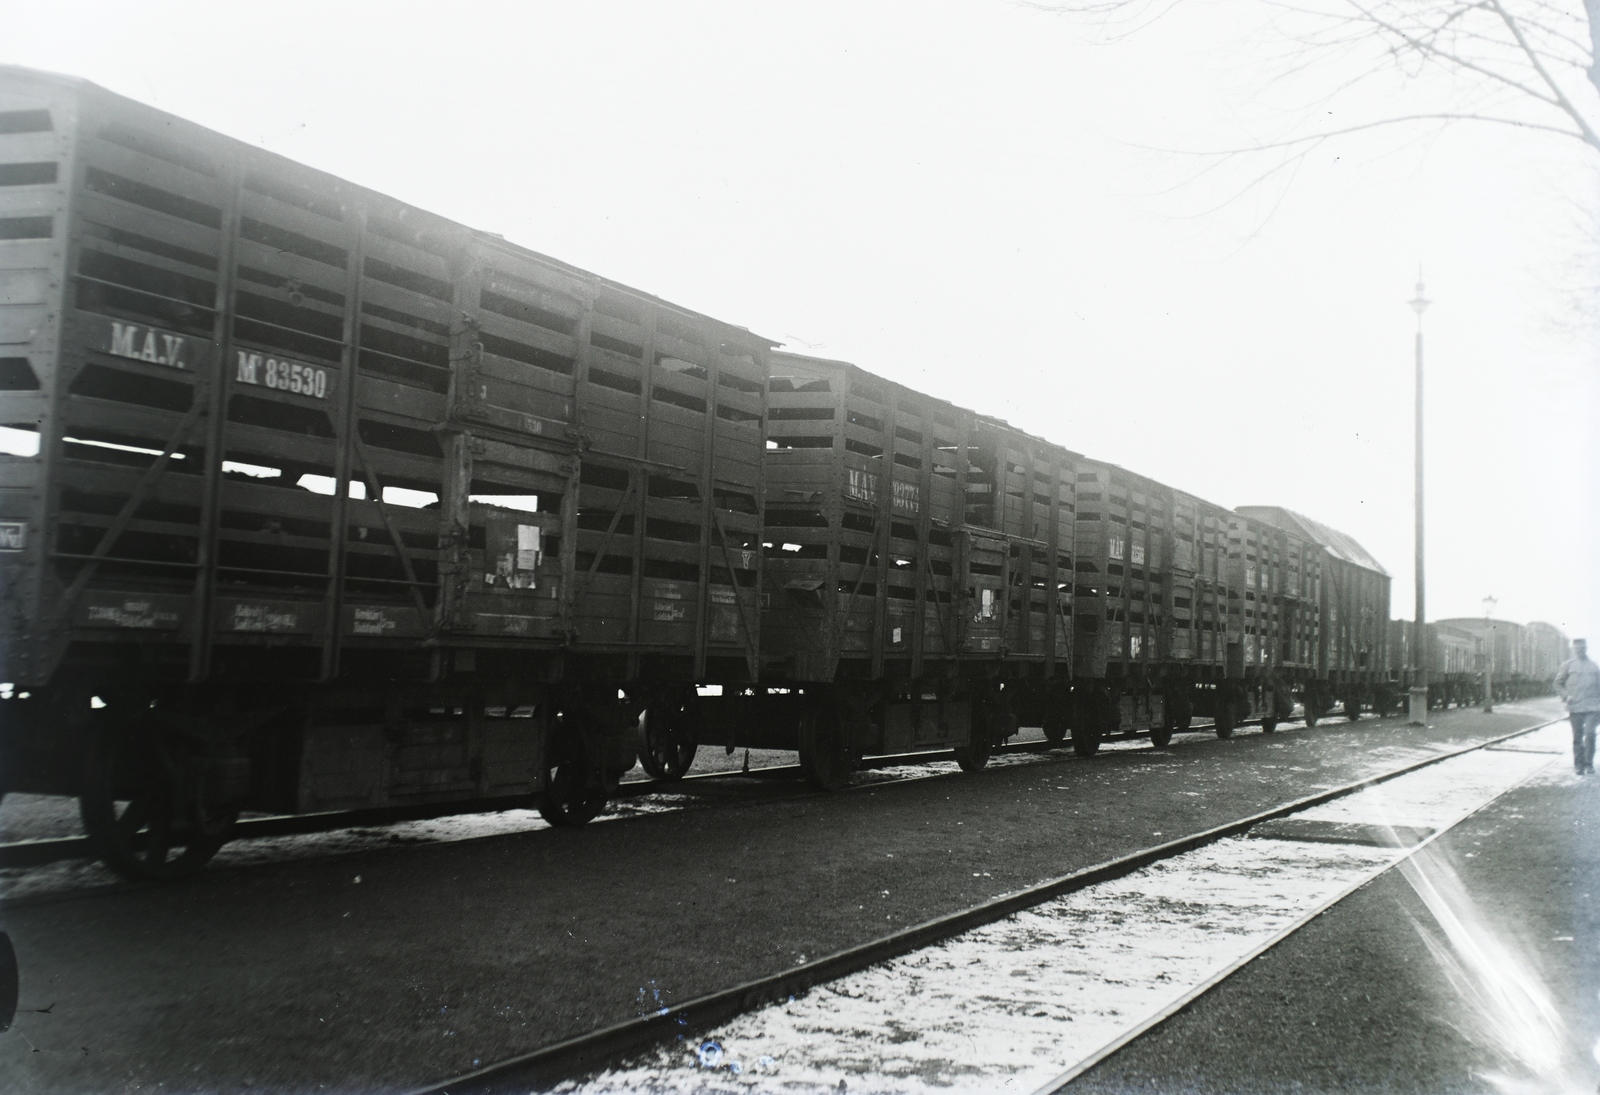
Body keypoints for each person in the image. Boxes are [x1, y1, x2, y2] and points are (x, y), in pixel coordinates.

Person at [1553, 638, 1600, 775]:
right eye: (1577, 648)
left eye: (1583, 648)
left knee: (1590, 733)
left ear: (1586, 648)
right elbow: (1557, 683)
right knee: (1577, 737)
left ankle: (1589, 764)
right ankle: (1579, 765)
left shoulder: (1594, 666)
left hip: (1592, 707)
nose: (1580, 650)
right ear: (1574, 649)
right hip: (1575, 706)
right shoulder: (1568, 666)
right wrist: (1566, 696)